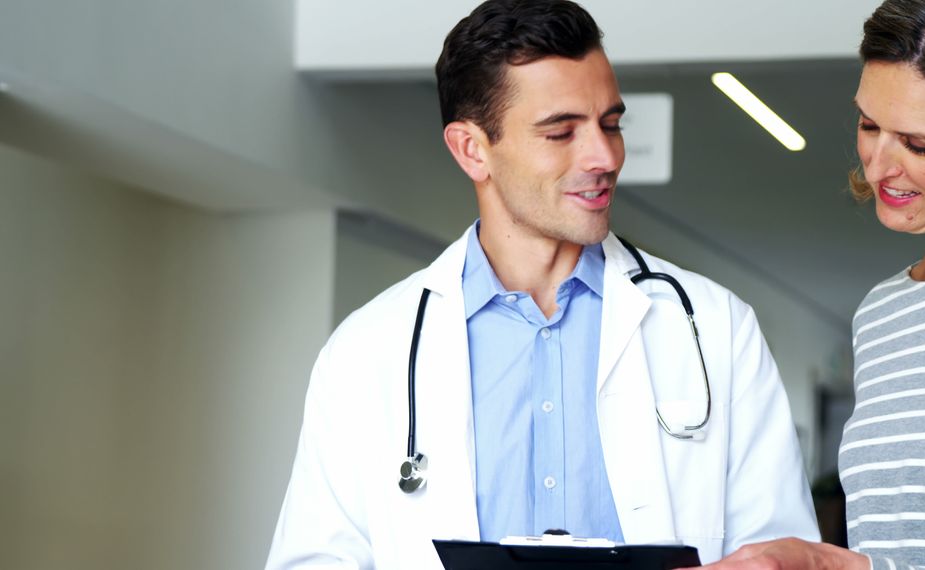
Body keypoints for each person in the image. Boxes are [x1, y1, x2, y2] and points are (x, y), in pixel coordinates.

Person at [264, 1, 818, 568]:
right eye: (561, 132)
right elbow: (316, 558)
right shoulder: (367, 351)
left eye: (610, 124)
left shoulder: (716, 327)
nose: (604, 156)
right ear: (472, 149)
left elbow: (780, 552)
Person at [684, 1, 925, 569]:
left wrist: (836, 567)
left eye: (917, 145)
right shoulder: (884, 312)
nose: (877, 166)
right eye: (869, 125)